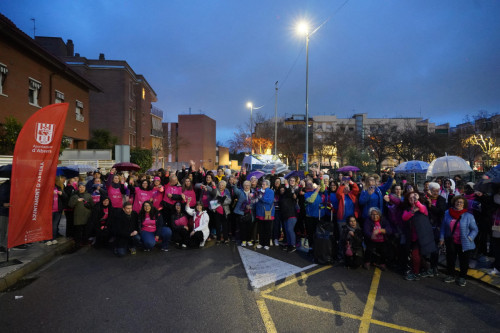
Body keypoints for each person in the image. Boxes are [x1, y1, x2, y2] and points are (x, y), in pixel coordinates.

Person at [440, 195, 478, 286]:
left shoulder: (469, 216)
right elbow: (443, 227)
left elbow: (475, 229)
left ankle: (462, 277)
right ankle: (451, 275)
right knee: (450, 259)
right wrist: (441, 238)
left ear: (464, 204)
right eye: (457, 202)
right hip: (451, 241)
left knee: (464, 261)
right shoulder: (447, 213)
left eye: (461, 202)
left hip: (464, 242)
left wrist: (470, 238)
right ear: (454, 203)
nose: (459, 203)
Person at [402, 192, 437, 281]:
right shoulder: (407, 209)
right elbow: (404, 217)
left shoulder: (423, 207)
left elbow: (422, 208)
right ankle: (424, 270)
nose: (412, 199)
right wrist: (412, 211)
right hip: (413, 237)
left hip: (423, 237)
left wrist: (416, 202)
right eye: (410, 198)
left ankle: (418, 272)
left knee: (419, 255)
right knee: (416, 255)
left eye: (414, 197)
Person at [423, 182, 447, 276]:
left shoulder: (441, 199)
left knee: (435, 248)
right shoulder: (425, 199)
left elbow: (441, 212)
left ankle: (434, 266)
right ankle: (425, 266)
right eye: (433, 190)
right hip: (426, 225)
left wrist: (430, 206)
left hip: (436, 226)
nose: (435, 192)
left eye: (437, 191)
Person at [68, 182, 94, 246]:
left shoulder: (88, 195)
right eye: (80, 187)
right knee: (78, 230)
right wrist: (77, 200)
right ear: (78, 188)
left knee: (86, 230)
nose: (82, 188)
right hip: (78, 216)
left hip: (87, 215)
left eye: (83, 187)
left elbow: (92, 205)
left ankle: (85, 241)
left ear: (85, 188)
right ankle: (78, 242)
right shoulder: (74, 195)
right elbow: (70, 205)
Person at [232, 180, 255, 246]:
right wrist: (235, 183)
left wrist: (250, 206)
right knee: (242, 228)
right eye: (245, 185)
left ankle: (249, 240)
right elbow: (235, 189)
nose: (246, 186)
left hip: (250, 213)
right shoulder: (240, 192)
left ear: (250, 186)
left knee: (249, 227)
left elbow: (255, 202)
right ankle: (243, 241)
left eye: (248, 185)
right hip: (241, 213)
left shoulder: (253, 193)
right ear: (243, 186)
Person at [255, 179, 275, 250]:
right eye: (262, 184)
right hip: (260, 212)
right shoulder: (258, 191)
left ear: (267, 185)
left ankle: (266, 244)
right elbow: (256, 200)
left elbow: (269, 201)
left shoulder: (271, 191)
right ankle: (261, 243)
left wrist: (261, 197)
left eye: (264, 184)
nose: (262, 185)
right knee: (260, 229)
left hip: (267, 212)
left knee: (267, 228)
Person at [279, 182, 298, 252]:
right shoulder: (281, 198)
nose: (282, 191)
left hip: (291, 215)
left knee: (290, 229)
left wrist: (287, 185)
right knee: (287, 231)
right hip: (285, 216)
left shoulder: (289, 196)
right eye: (280, 190)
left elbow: (290, 192)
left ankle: (293, 245)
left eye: (283, 190)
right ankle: (289, 244)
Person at [49, 176, 67, 246]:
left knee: (55, 225)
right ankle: (48, 239)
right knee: (49, 225)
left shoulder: (59, 187)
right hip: (50, 210)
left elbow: (65, 197)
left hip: (58, 209)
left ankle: (53, 238)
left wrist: (61, 194)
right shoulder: (48, 188)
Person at [213, 180, 231, 244]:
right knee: (217, 226)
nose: (221, 186)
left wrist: (222, 202)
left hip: (225, 211)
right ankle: (218, 239)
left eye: (222, 185)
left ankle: (225, 238)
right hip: (217, 210)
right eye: (220, 185)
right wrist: (218, 201)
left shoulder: (227, 191)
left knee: (225, 226)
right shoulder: (216, 190)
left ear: (225, 186)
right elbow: (214, 198)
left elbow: (229, 200)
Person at [0, 179, 10, 253]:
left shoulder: (8, 185)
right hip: (3, 211)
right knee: (2, 230)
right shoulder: (5, 186)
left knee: (3, 230)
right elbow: (2, 198)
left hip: (6, 211)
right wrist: (3, 204)